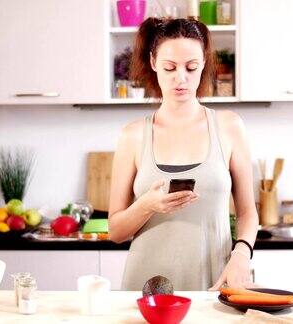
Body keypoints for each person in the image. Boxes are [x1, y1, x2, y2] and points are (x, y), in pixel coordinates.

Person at [108, 17, 258, 291]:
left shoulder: (229, 127)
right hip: (147, 290)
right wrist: (146, 205)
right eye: (169, 67)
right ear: (154, 62)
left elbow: (248, 213)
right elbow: (116, 231)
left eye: (191, 67)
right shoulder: (133, 136)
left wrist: (241, 254)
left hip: (213, 284)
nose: (181, 78)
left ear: (203, 63)